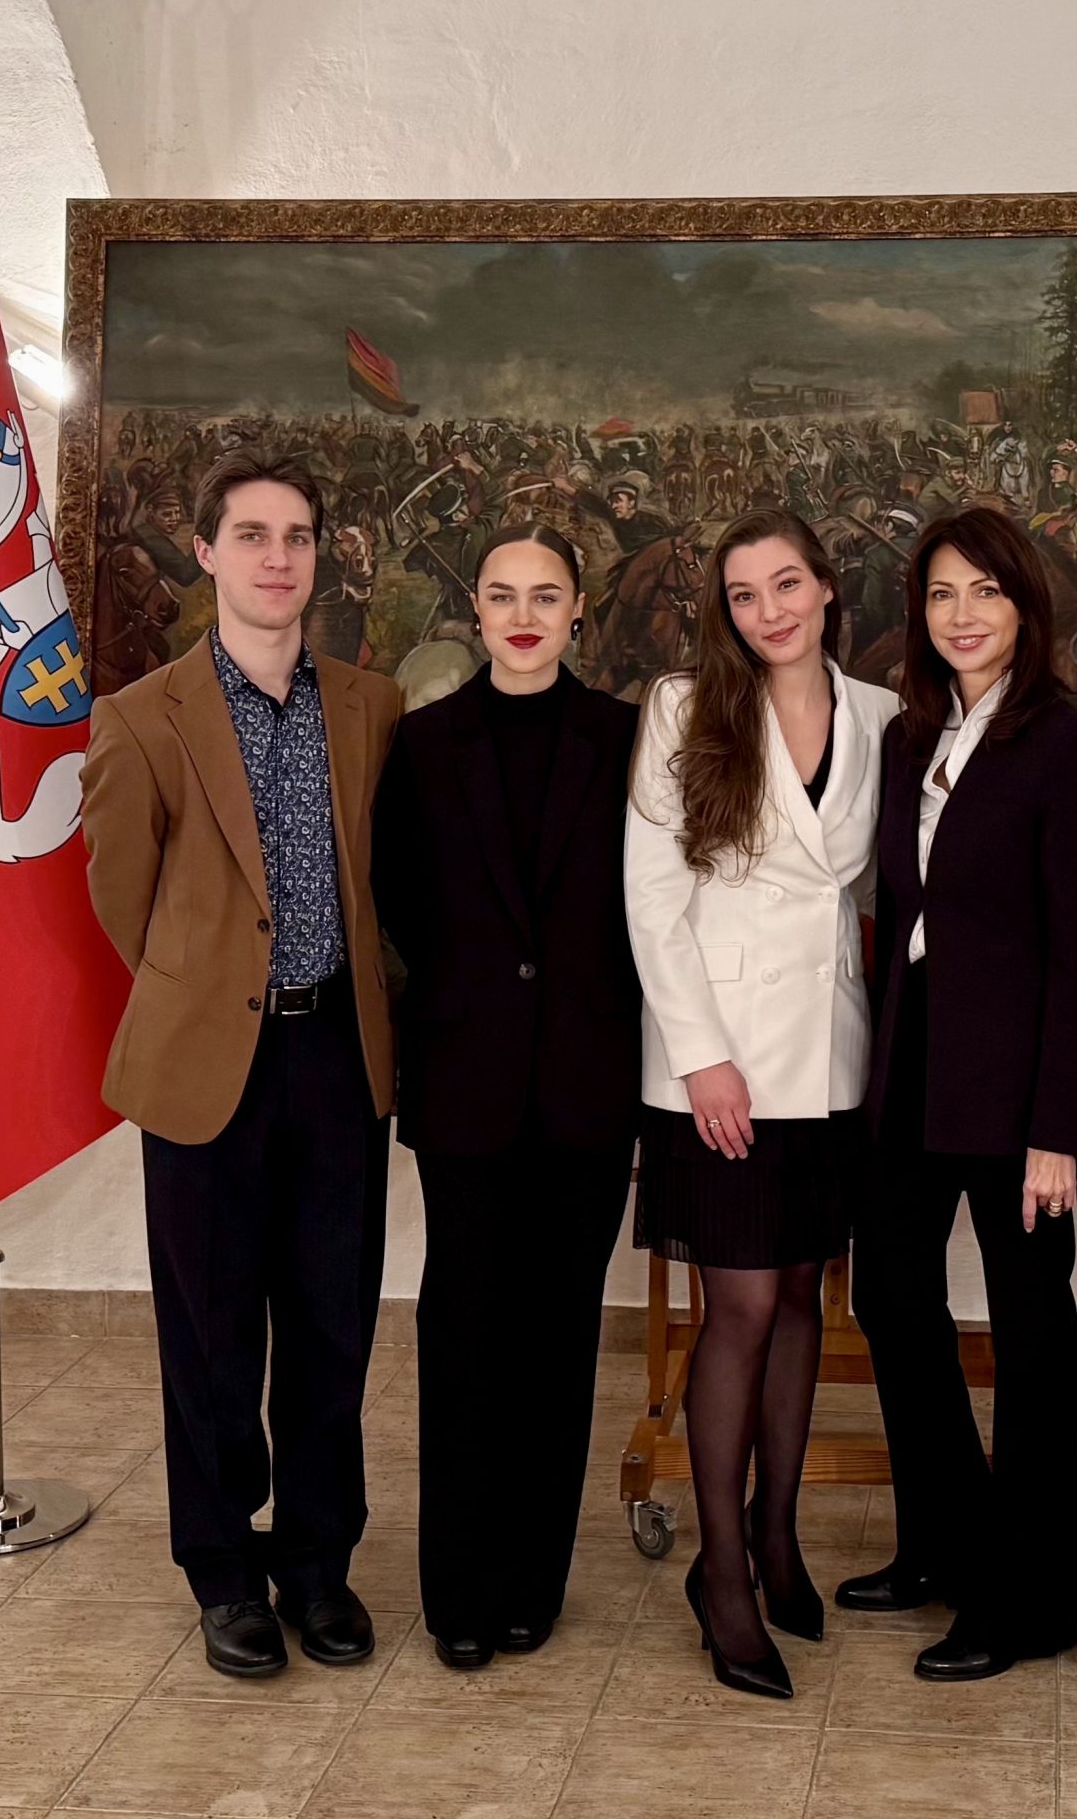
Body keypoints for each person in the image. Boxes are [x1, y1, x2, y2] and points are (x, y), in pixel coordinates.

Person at [82, 448, 405, 1679]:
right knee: (212, 1337)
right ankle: (223, 1570)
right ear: (208, 551)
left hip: (336, 1058)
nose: (279, 557)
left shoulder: (371, 709)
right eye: (254, 535)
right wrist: (206, 990)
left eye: (299, 536)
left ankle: (317, 1565)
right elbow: (122, 900)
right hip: (206, 1061)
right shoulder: (141, 717)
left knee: (330, 1326)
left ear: (320, 557)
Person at [625, 508, 899, 1700]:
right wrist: (702, 1059)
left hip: (827, 1058)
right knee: (736, 1308)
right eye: (743, 595)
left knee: (797, 1300)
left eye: (786, 585)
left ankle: (777, 1536)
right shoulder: (685, 708)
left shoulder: (881, 715)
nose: (768, 611)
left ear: (827, 588)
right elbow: (651, 896)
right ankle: (723, 1574)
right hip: (719, 1063)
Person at [844, 505, 1077, 1682]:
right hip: (909, 1071)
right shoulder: (909, 737)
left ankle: (1031, 1599)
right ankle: (945, 1543)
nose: (961, 616)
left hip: (1018, 1096)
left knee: (1031, 1335)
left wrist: (1059, 1131)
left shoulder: (1068, 745)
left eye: (986, 592)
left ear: (1025, 606)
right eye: (942, 594)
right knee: (890, 1300)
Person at [373, 523, 642, 1671]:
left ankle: (533, 1581)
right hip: (467, 1083)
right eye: (501, 595)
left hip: (587, 1083)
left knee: (558, 1336)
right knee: (464, 1331)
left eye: (545, 595)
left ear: (579, 610)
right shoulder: (423, 743)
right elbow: (397, 896)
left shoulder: (626, 740)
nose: (523, 616)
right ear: (474, 612)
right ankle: (458, 1591)